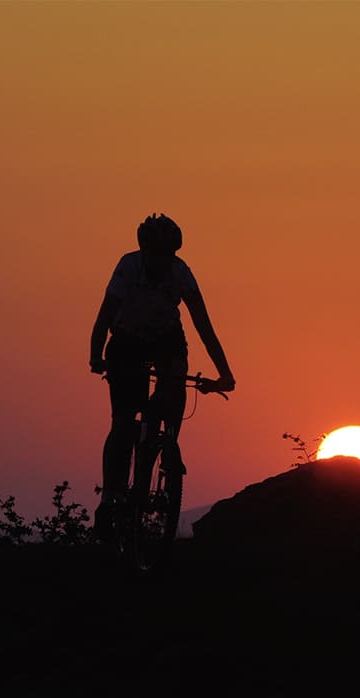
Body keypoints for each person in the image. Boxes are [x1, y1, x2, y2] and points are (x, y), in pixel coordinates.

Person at [89, 213, 235, 534]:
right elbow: (104, 318)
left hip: (166, 340)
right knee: (124, 423)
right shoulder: (128, 268)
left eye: (169, 255)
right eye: (158, 255)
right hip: (126, 342)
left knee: (175, 384)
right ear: (145, 250)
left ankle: (168, 446)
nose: (164, 263)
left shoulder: (181, 274)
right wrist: (96, 356)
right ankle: (111, 496)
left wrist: (225, 373)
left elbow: (204, 327)